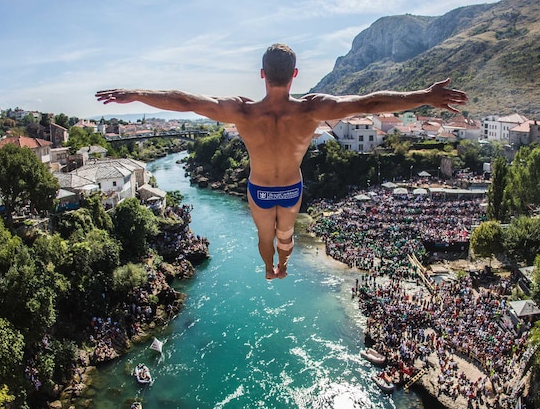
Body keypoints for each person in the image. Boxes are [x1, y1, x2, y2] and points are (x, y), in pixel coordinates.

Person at [97, 43, 468, 279]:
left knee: (264, 234)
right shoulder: (313, 109)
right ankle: (284, 265)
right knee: (286, 234)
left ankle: (268, 268)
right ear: (294, 75)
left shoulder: (241, 111)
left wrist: (136, 94)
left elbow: (186, 101)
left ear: (262, 75)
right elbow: (371, 102)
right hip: (291, 188)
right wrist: (425, 95)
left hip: (259, 189)